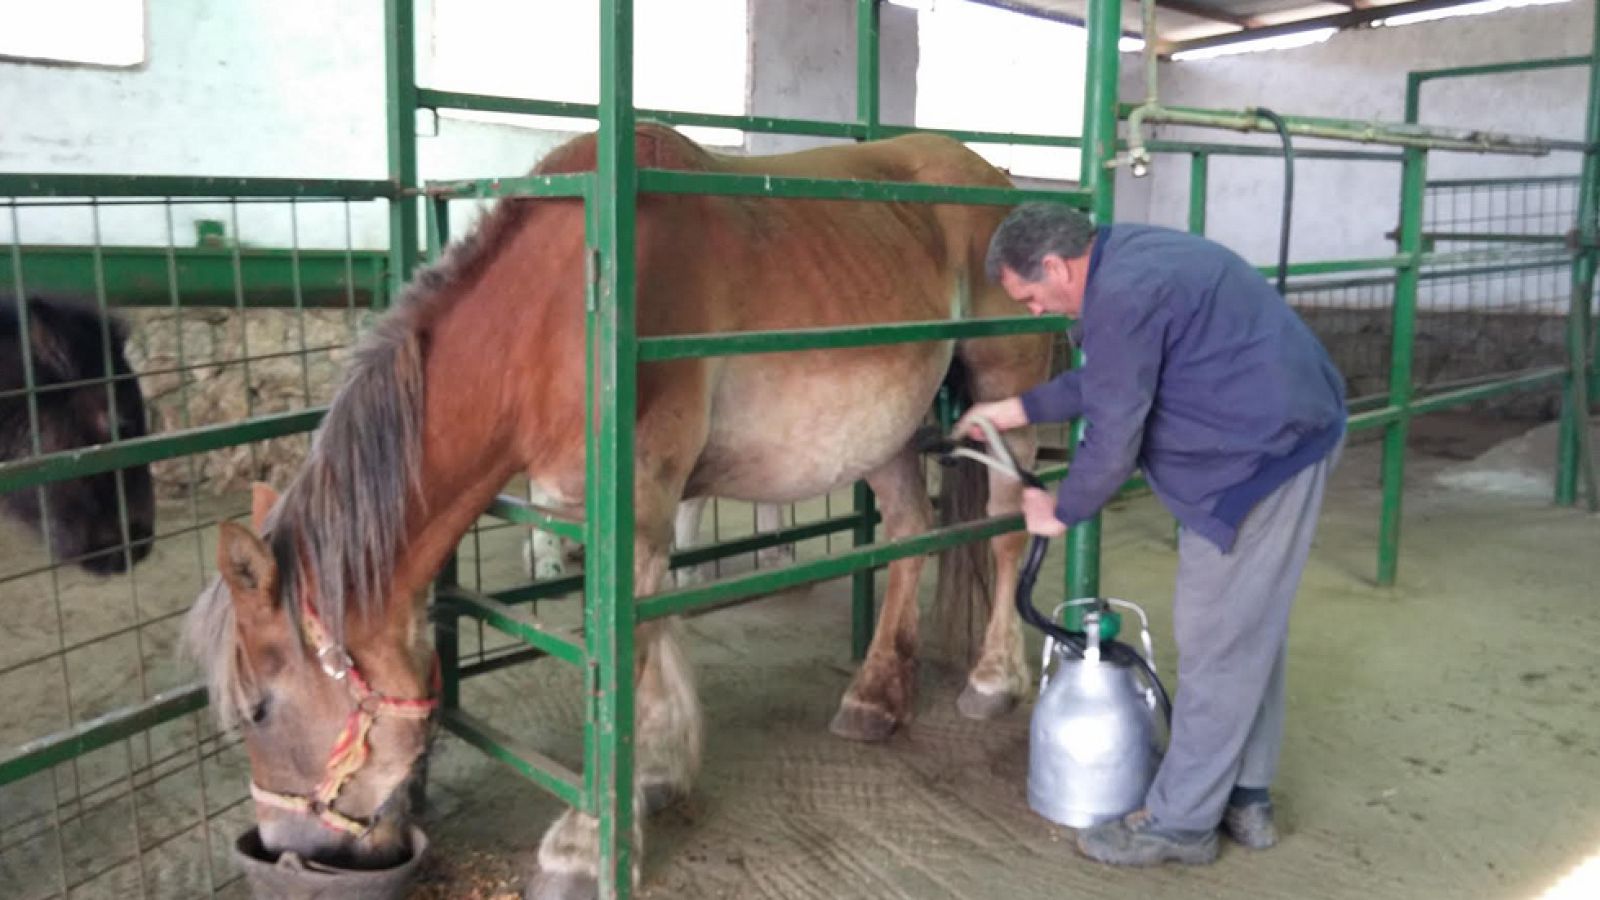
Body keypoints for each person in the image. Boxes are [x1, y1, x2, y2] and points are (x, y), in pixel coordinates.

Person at [955, 202, 1346, 866]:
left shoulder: (1124, 293)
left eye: (1030, 295)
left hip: (1259, 459)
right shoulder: (1124, 259)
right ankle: (1244, 798)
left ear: (1055, 265)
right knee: (1246, 632)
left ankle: (1180, 824)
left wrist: (1062, 507)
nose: (1033, 311)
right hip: (1281, 433)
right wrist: (1017, 406)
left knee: (1216, 643)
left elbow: (1111, 441)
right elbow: (1110, 376)